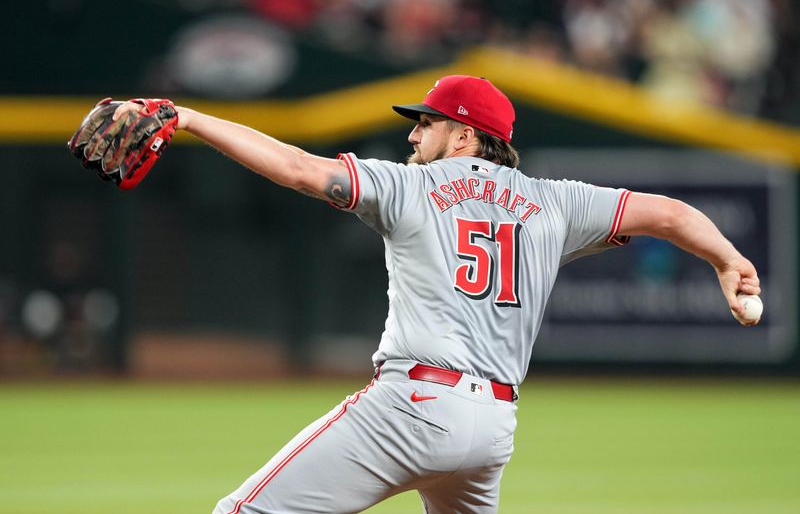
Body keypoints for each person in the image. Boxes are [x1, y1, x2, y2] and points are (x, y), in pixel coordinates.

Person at [115, 74, 761, 514]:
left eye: (424, 124)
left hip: (413, 406)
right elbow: (672, 214)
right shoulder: (556, 202)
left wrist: (190, 116)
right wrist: (728, 259)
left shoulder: (410, 186)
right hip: (492, 429)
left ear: (463, 135)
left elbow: (300, 169)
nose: (411, 136)